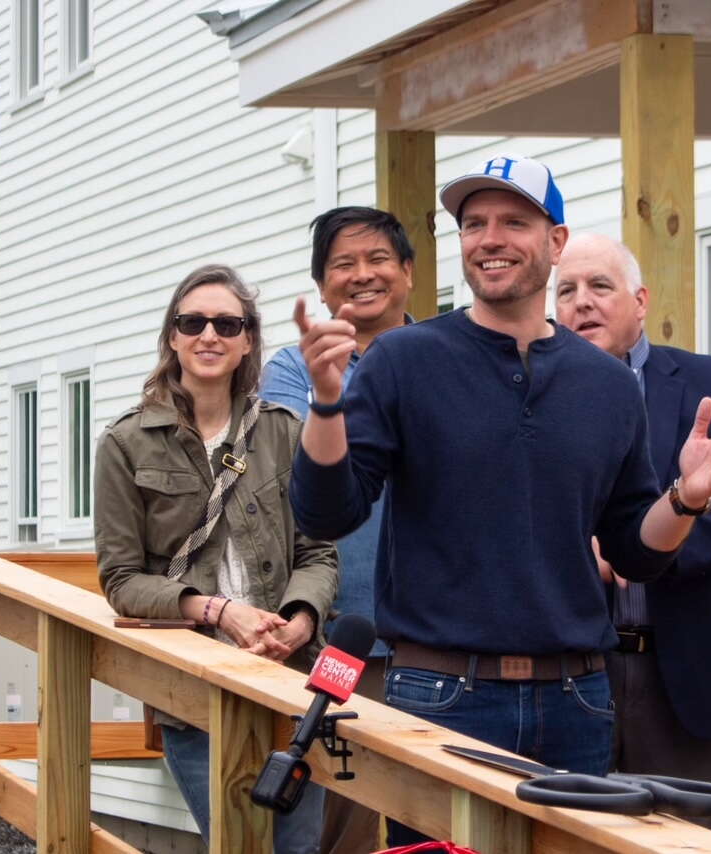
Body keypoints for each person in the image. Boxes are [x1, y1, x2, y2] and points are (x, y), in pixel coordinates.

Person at [288, 153, 711, 842]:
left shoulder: (609, 386)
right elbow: (330, 511)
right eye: (474, 223)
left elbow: (634, 550)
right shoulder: (404, 360)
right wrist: (328, 407)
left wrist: (686, 497)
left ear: (555, 243)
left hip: (578, 700)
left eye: (513, 221)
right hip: (441, 696)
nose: (490, 238)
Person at [94, 263, 339, 853]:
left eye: (227, 323)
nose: (210, 334)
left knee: (298, 849)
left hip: (290, 678)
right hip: (192, 689)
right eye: (193, 321)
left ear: (248, 339)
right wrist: (219, 611)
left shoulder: (284, 431)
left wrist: (301, 620)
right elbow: (121, 580)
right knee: (234, 844)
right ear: (172, 336)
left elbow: (319, 553)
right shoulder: (125, 443)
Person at [554, 233, 711, 829]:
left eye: (600, 286)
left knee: (681, 842)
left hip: (681, 669)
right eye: (567, 290)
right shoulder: (533, 391)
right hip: (568, 672)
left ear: (640, 300)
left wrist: (654, 548)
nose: (583, 303)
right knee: (566, 839)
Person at [260, 207, 414, 854]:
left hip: (422, 638)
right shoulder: (296, 369)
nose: (362, 276)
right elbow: (315, 462)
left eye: (378, 259)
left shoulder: (441, 356)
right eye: (342, 265)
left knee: (413, 813)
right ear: (322, 287)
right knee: (321, 811)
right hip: (332, 628)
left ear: (408, 272)